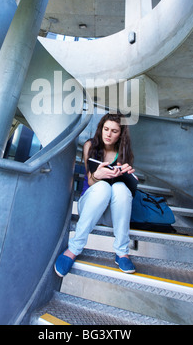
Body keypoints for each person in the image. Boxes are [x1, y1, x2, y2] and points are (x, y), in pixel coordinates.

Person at [55, 113, 137, 277]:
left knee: (120, 188)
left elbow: (126, 197)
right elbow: (90, 182)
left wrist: (130, 180)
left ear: (120, 134)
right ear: (101, 129)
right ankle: (74, 248)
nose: (108, 134)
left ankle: (122, 252)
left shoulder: (123, 152)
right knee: (103, 188)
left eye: (114, 131)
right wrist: (98, 176)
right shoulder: (90, 146)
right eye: (106, 129)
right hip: (91, 204)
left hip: (111, 214)